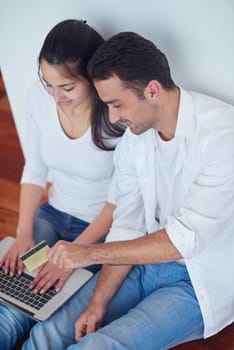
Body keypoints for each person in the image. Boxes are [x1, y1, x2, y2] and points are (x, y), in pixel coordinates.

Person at [23, 31, 234, 350]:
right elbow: (126, 224)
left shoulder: (222, 134)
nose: (112, 117)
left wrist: (87, 253)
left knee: (98, 346)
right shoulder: (135, 139)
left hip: (197, 280)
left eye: (116, 104)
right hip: (141, 263)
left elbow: (183, 240)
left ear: (152, 91)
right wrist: (97, 303)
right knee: (46, 335)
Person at [0, 20, 124, 349]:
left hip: (99, 232)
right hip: (52, 217)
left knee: (53, 312)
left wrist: (77, 255)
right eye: (48, 84)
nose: (56, 96)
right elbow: (35, 169)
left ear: (92, 77)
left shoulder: (116, 117)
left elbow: (119, 201)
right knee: (11, 309)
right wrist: (23, 233)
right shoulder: (37, 98)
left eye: (67, 87)